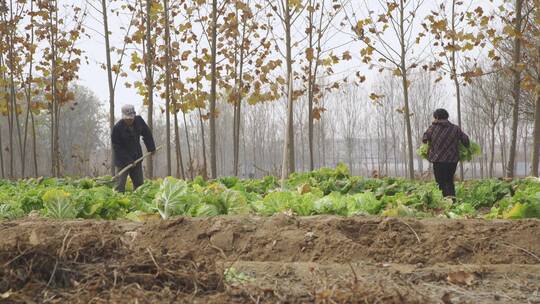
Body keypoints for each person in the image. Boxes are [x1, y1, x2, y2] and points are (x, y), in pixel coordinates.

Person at [422, 108, 469, 198]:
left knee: (440, 182)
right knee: (449, 180)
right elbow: (466, 140)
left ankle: (444, 201)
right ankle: (452, 200)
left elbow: (424, 139)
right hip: (452, 160)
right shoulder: (455, 128)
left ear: (437, 117)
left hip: (438, 160)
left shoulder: (432, 128)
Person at [112, 104, 156, 192]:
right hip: (122, 161)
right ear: (123, 117)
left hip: (137, 157)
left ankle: (138, 201)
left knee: (139, 185)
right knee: (119, 186)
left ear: (134, 115)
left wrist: (151, 147)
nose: (130, 120)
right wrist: (128, 160)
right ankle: (119, 201)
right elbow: (117, 148)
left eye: (131, 118)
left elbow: (147, 133)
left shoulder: (139, 121)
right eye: (127, 118)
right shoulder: (117, 128)